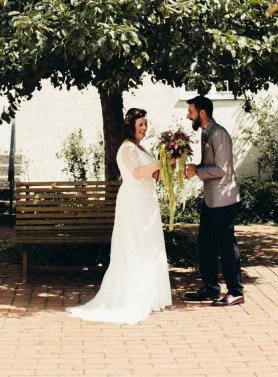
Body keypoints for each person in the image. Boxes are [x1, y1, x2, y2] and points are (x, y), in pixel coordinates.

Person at [67, 107, 172, 324]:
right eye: (141, 124)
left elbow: (153, 174)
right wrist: (159, 163)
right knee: (134, 244)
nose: (144, 128)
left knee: (148, 245)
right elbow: (136, 173)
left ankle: (151, 294)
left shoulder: (140, 148)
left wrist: (170, 162)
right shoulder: (126, 149)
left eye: (146, 124)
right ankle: (132, 295)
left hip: (145, 200)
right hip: (133, 201)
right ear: (131, 125)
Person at [182, 95, 244, 306]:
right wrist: (193, 168)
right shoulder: (206, 133)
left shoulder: (219, 134)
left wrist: (197, 171)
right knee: (205, 244)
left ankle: (236, 291)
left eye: (191, 112)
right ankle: (211, 288)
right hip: (211, 199)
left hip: (224, 199)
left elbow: (222, 169)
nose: (188, 115)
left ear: (202, 113)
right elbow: (210, 165)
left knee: (227, 246)